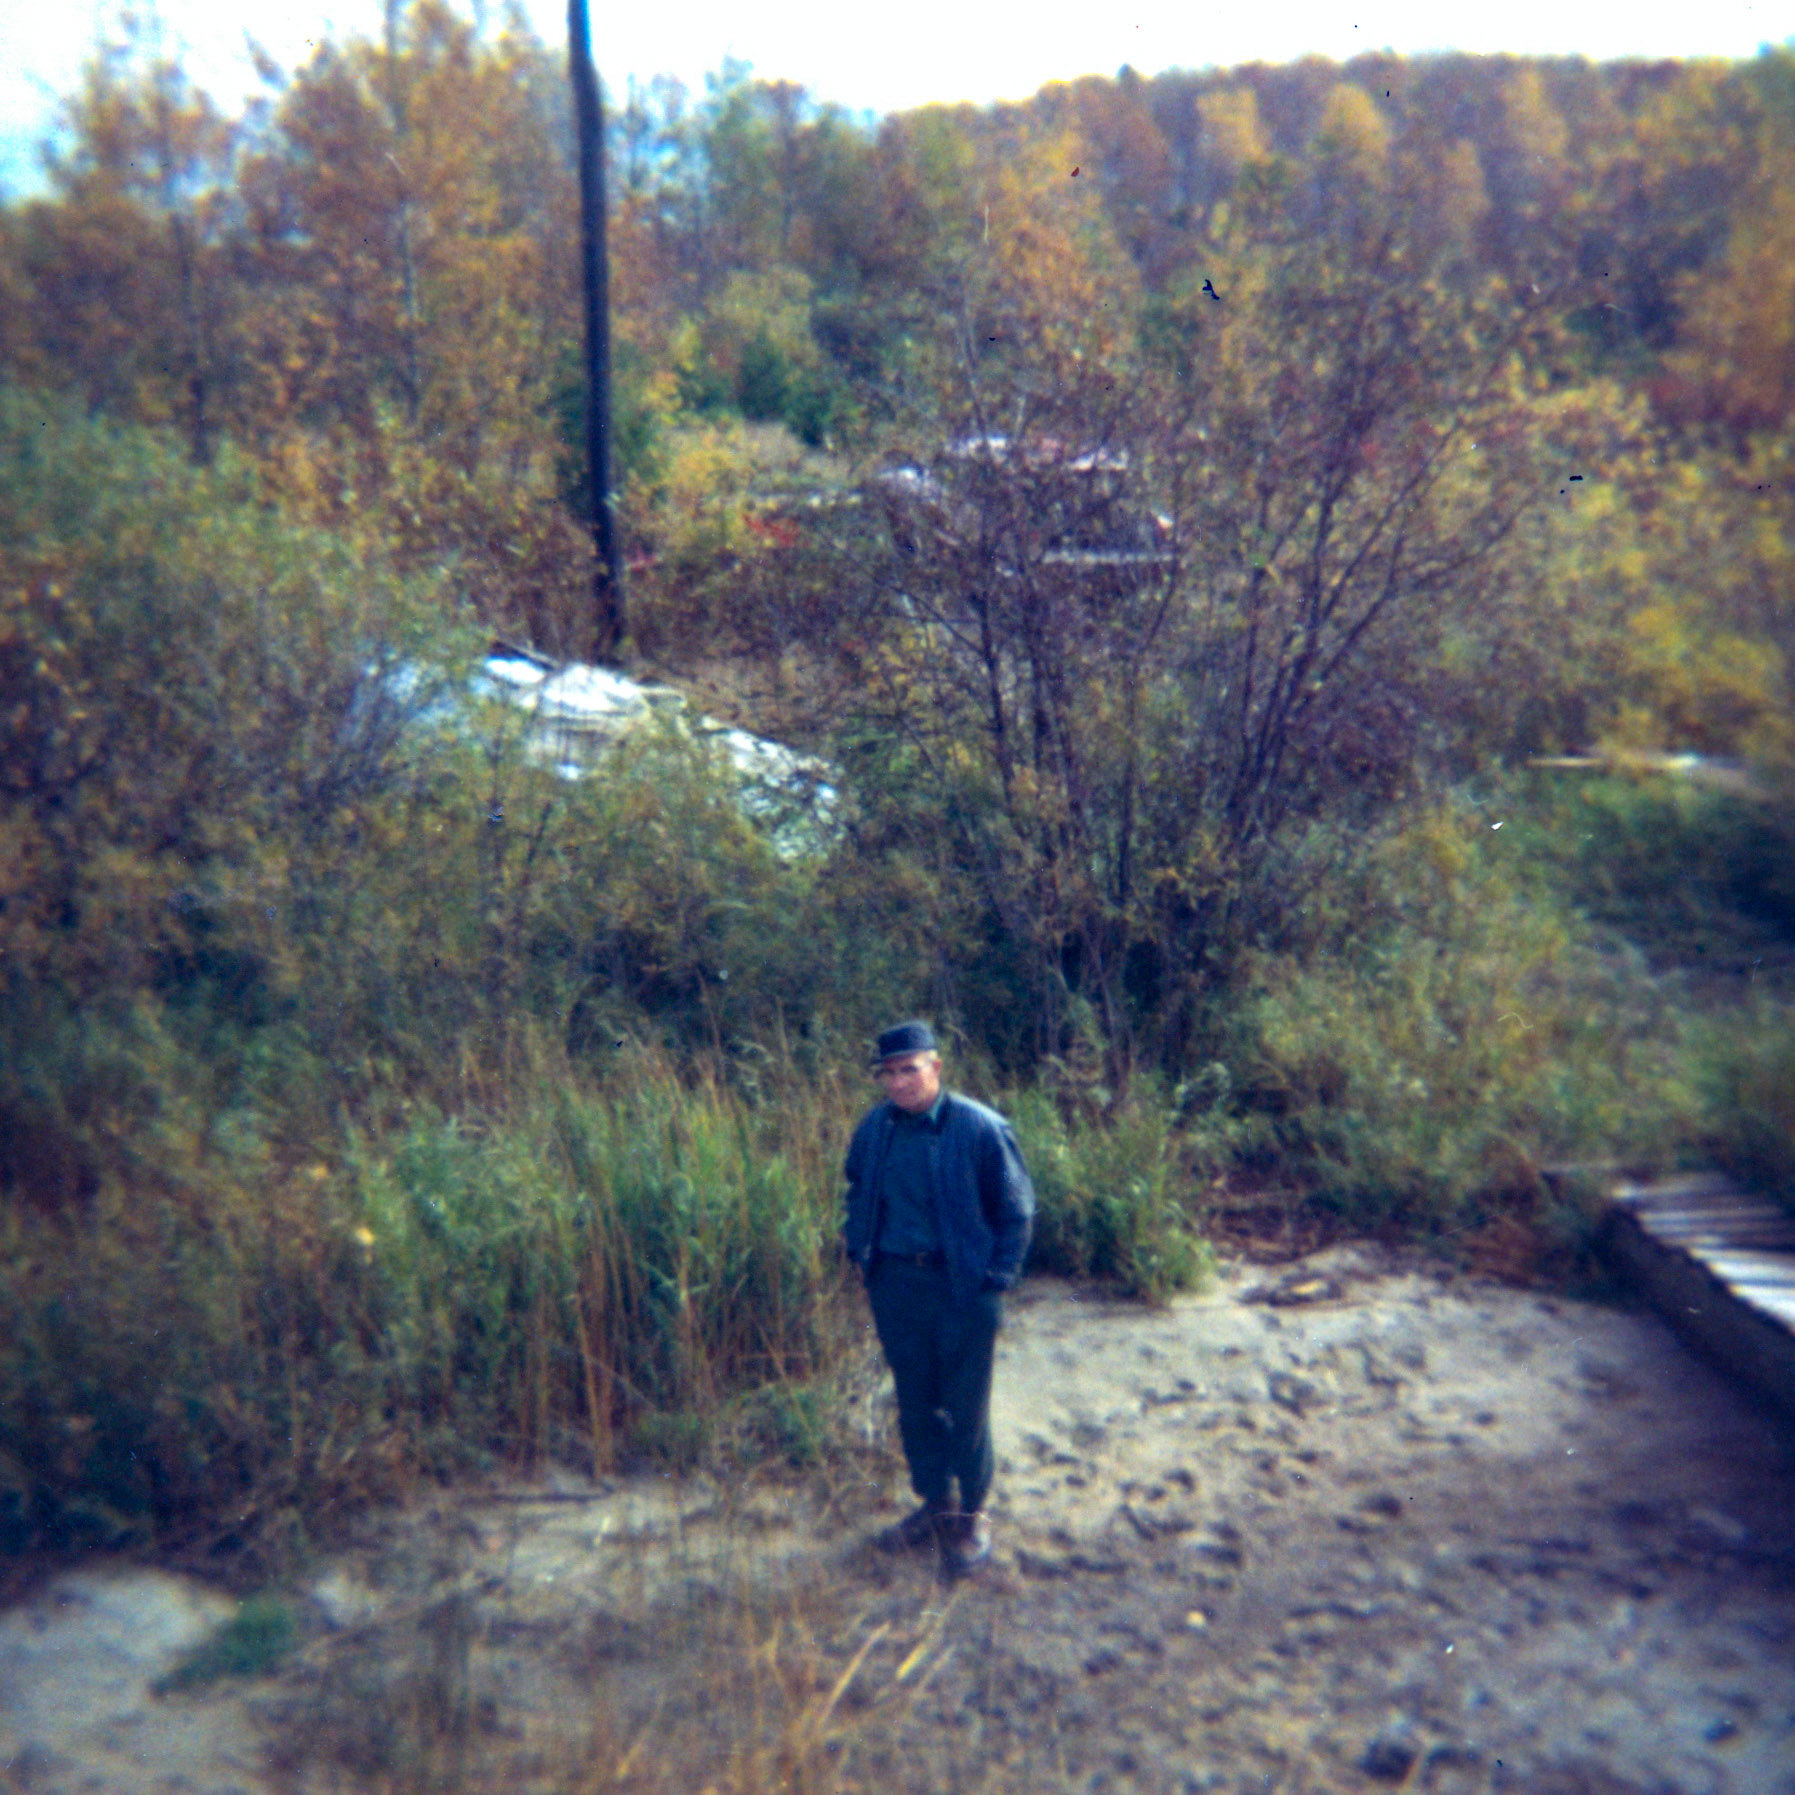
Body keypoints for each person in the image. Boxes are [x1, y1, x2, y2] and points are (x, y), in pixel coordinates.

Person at [842, 1021, 1035, 1574]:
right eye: (889, 1073)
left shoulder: (979, 1128)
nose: (899, 1083)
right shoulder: (875, 1128)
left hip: (962, 1291)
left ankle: (972, 1516)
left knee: (965, 1408)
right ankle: (934, 1505)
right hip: (896, 1288)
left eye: (910, 1069)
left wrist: (995, 1280)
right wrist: (860, 1248)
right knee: (914, 1402)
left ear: (936, 1067)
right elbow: (856, 1187)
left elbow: (1017, 1210)